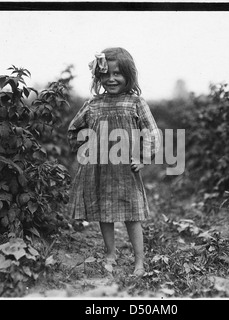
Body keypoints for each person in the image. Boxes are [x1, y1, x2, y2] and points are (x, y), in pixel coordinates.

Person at [67, 47, 160, 277]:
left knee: (132, 214)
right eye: (105, 74)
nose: (111, 79)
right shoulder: (93, 104)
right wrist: (85, 147)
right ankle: (110, 253)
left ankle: (140, 261)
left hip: (126, 168)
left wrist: (144, 157)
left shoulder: (136, 103)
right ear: (98, 77)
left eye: (117, 73)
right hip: (98, 168)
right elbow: (74, 129)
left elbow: (152, 132)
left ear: (129, 75)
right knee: (103, 211)